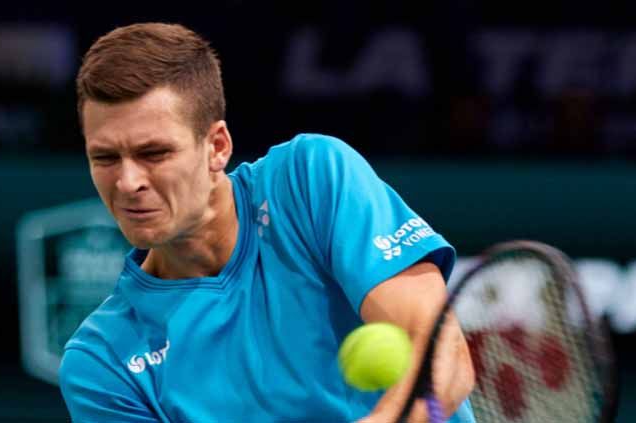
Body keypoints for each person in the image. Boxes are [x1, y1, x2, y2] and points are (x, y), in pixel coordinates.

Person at [59, 22, 476, 422]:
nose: (128, 182)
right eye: (106, 158)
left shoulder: (309, 180)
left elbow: (442, 351)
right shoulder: (103, 362)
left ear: (217, 147)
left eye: (154, 154)